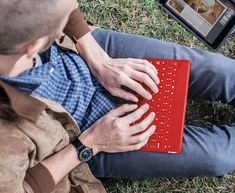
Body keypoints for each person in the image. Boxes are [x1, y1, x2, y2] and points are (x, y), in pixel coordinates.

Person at [0, 0, 235, 193]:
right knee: (218, 156)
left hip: (82, 54)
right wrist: (91, 144)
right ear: (33, 46)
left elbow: (59, 5)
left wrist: (99, 59)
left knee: (221, 71)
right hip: (79, 138)